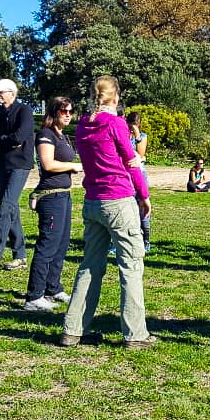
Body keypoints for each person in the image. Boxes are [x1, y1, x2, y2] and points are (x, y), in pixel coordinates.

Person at [60, 76, 156, 349]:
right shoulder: (116, 123)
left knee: (90, 264)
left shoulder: (82, 125)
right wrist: (144, 195)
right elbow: (131, 162)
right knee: (131, 265)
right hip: (119, 200)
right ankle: (135, 334)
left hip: (93, 201)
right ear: (115, 97)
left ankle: (73, 329)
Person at [24, 96, 82, 312]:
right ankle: (34, 295)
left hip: (64, 195)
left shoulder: (62, 137)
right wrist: (73, 166)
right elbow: (48, 164)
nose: (68, 115)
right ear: (54, 112)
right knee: (47, 245)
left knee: (61, 244)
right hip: (50, 197)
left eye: (70, 111)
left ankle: (53, 287)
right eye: (63, 111)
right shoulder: (46, 135)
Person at [0, 78, 35, 271]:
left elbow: (20, 136)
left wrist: (2, 140)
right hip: (2, 165)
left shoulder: (24, 111)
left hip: (20, 165)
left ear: (12, 93)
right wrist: (8, 141)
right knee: (11, 209)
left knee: (5, 206)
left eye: (1, 92)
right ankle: (20, 256)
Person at [126, 111, 152, 252]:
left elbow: (140, 154)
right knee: (124, 208)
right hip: (124, 174)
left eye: (135, 125)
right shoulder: (122, 135)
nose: (132, 127)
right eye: (131, 125)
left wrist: (137, 137)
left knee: (142, 206)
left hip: (139, 174)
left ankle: (146, 241)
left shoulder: (142, 137)